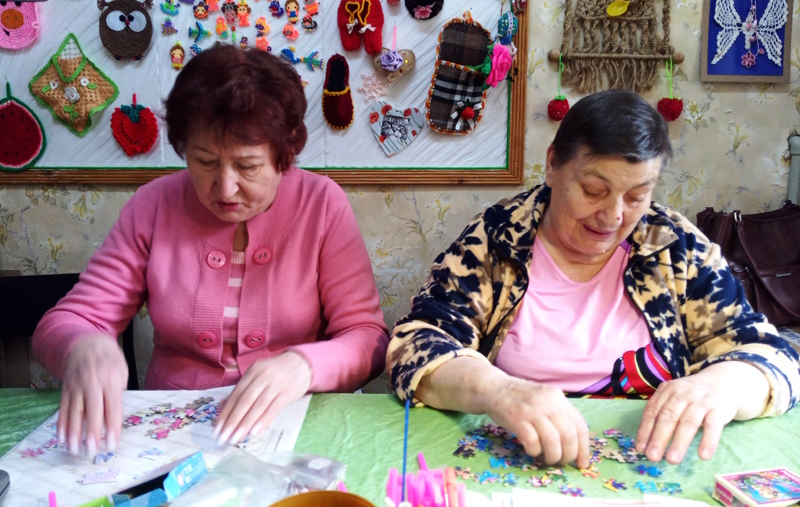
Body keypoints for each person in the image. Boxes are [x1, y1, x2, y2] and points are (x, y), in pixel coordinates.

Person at [386, 90, 800, 470]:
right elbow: (416, 344)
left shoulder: (674, 247)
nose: (614, 216)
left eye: (637, 196)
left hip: (649, 465)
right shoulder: (498, 239)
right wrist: (497, 391)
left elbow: (773, 356)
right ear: (552, 165)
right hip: (516, 461)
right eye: (593, 190)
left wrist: (722, 384)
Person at [33, 45, 389, 457]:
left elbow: (368, 338)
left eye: (248, 166)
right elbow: (69, 320)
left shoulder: (322, 204)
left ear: (285, 156)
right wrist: (82, 346)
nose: (224, 188)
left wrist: (304, 366)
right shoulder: (154, 205)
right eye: (204, 162)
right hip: (174, 434)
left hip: (295, 424)